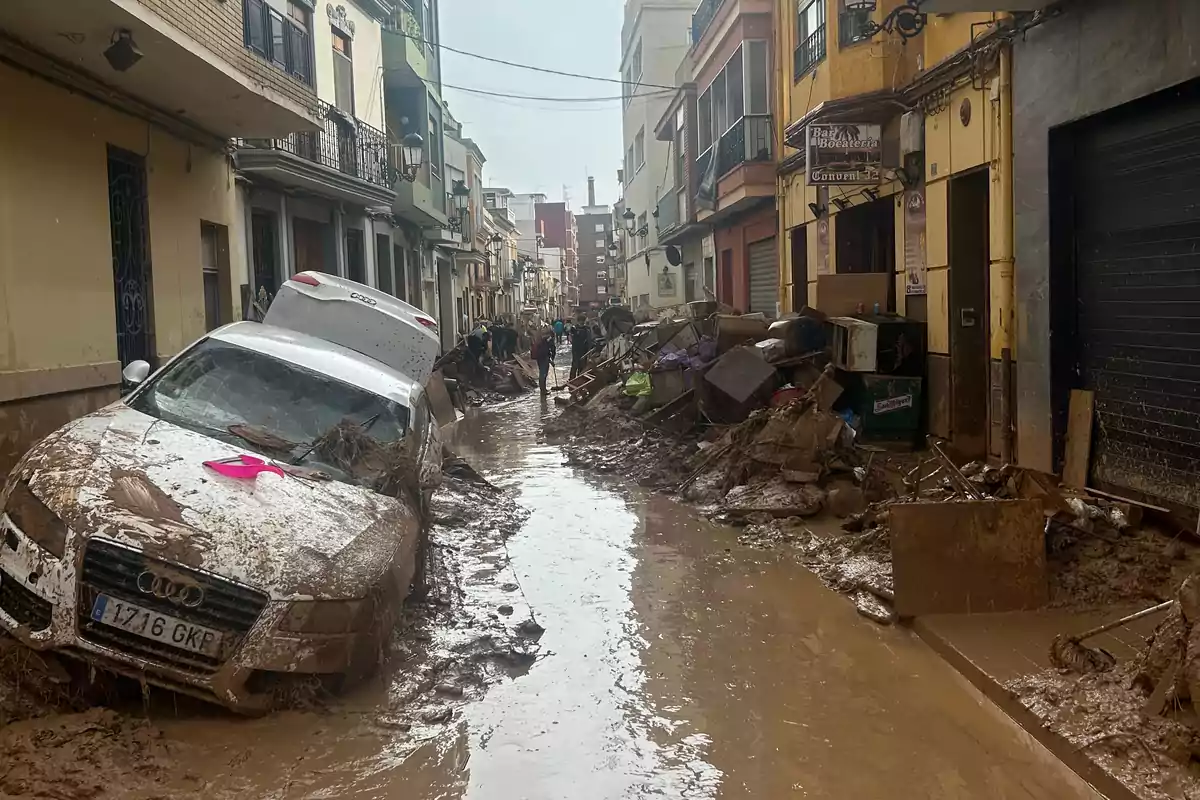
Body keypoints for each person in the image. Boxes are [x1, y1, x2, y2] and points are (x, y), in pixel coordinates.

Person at [532, 326, 556, 395]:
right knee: (543, 373)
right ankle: (543, 391)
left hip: (539, 357)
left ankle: (543, 389)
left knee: (542, 372)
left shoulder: (539, 339)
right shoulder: (549, 339)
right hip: (544, 357)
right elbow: (551, 350)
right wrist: (552, 360)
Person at [569, 315, 592, 381]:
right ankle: (572, 379)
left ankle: (580, 379)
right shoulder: (574, 328)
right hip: (576, 349)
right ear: (578, 321)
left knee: (582, 365)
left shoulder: (586, 328)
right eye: (581, 321)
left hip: (584, 349)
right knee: (575, 364)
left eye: (583, 321)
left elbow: (589, 339)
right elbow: (570, 337)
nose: (582, 322)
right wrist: (573, 342)